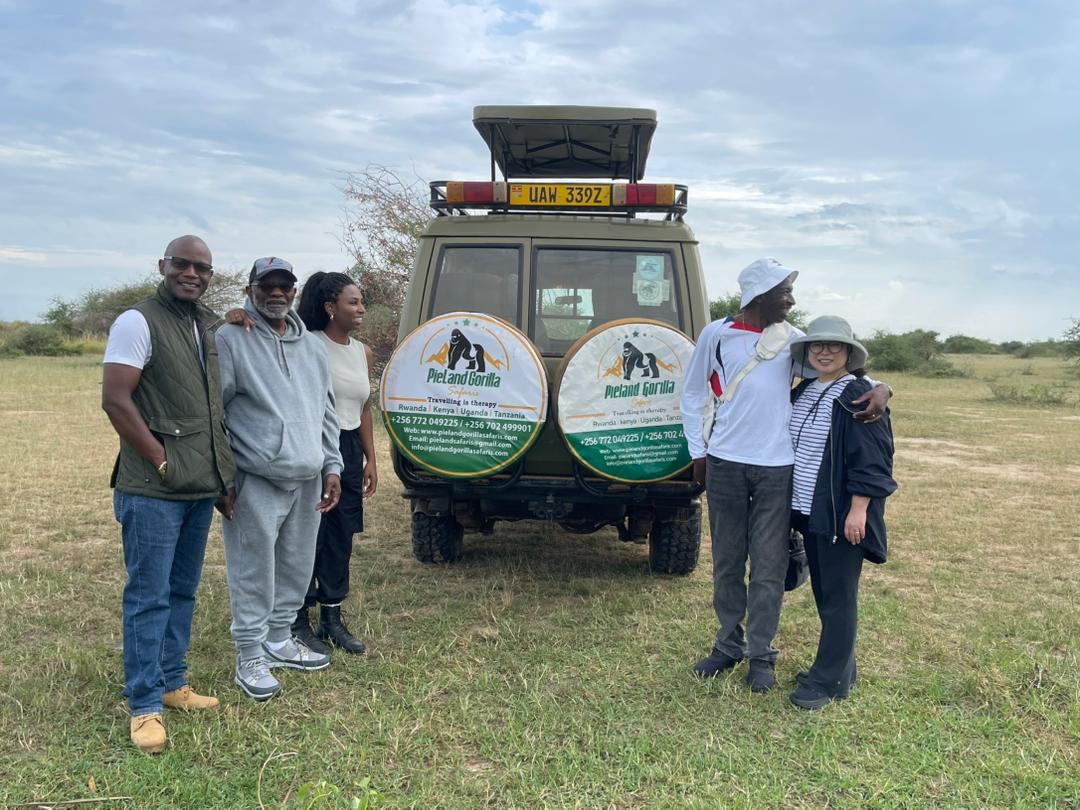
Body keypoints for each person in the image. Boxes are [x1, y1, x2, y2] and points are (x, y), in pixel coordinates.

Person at [680, 258, 891, 693]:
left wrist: (884, 388)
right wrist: (697, 450)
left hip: (778, 469)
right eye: (784, 291)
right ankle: (727, 645)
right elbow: (694, 391)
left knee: (769, 566)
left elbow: (843, 374)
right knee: (726, 561)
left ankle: (761, 655)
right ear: (759, 295)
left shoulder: (793, 340)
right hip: (724, 463)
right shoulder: (715, 334)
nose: (791, 300)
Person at [102, 235, 236, 753]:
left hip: (197, 487)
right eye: (182, 264)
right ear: (163, 265)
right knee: (148, 595)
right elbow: (116, 400)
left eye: (202, 268)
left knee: (182, 590)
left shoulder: (205, 324)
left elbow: (210, 410)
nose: (192, 273)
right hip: (152, 488)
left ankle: (173, 681)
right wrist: (161, 461)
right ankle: (144, 704)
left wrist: (218, 478)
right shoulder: (137, 321)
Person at [215, 257, 343, 701]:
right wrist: (223, 476)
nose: (276, 293)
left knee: (295, 565)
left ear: (294, 291)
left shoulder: (312, 347)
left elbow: (326, 411)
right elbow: (215, 411)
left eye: (284, 286)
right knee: (253, 568)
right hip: (255, 476)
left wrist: (332, 466)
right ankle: (250, 655)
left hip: (308, 476)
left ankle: (278, 638)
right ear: (250, 291)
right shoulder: (231, 337)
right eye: (266, 285)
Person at [786, 317, 896, 709]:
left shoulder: (861, 395)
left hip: (839, 511)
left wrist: (858, 509)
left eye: (834, 346)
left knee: (838, 596)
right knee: (825, 591)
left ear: (849, 352)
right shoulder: (803, 390)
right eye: (817, 345)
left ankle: (829, 681)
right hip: (808, 508)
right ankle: (842, 669)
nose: (825, 352)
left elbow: (873, 459)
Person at [291, 271, 378, 655]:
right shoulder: (308, 344)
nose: (361, 309)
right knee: (310, 533)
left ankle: (331, 617)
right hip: (315, 446)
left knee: (341, 534)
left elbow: (363, 407)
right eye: (353, 302)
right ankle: (296, 618)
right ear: (330, 307)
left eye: (362, 302)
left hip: (350, 449)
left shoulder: (363, 352)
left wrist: (371, 458)